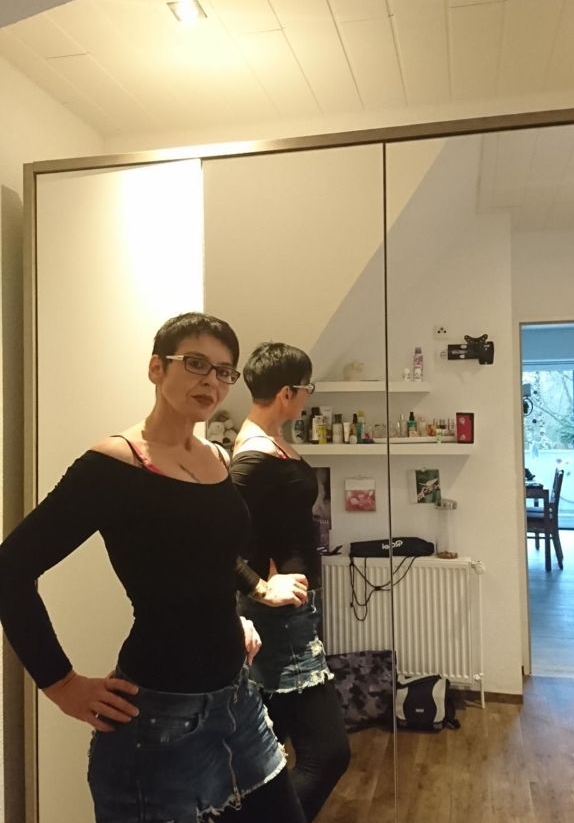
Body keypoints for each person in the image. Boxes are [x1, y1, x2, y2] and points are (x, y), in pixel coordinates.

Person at [0, 313, 309, 823]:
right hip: (159, 722)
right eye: (196, 363)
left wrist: (234, 614)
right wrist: (62, 684)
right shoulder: (113, 465)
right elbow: (10, 570)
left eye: (224, 372)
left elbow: (209, 555)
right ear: (156, 368)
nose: (211, 381)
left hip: (240, 703)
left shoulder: (216, 458)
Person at [230, 342, 351, 822]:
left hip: (290, 616)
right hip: (278, 621)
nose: (307, 395)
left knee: (265, 758)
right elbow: (211, 538)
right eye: (306, 388)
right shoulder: (253, 457)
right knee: (327, 754)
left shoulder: (270, 441)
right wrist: (260, 587)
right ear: (287, 392)